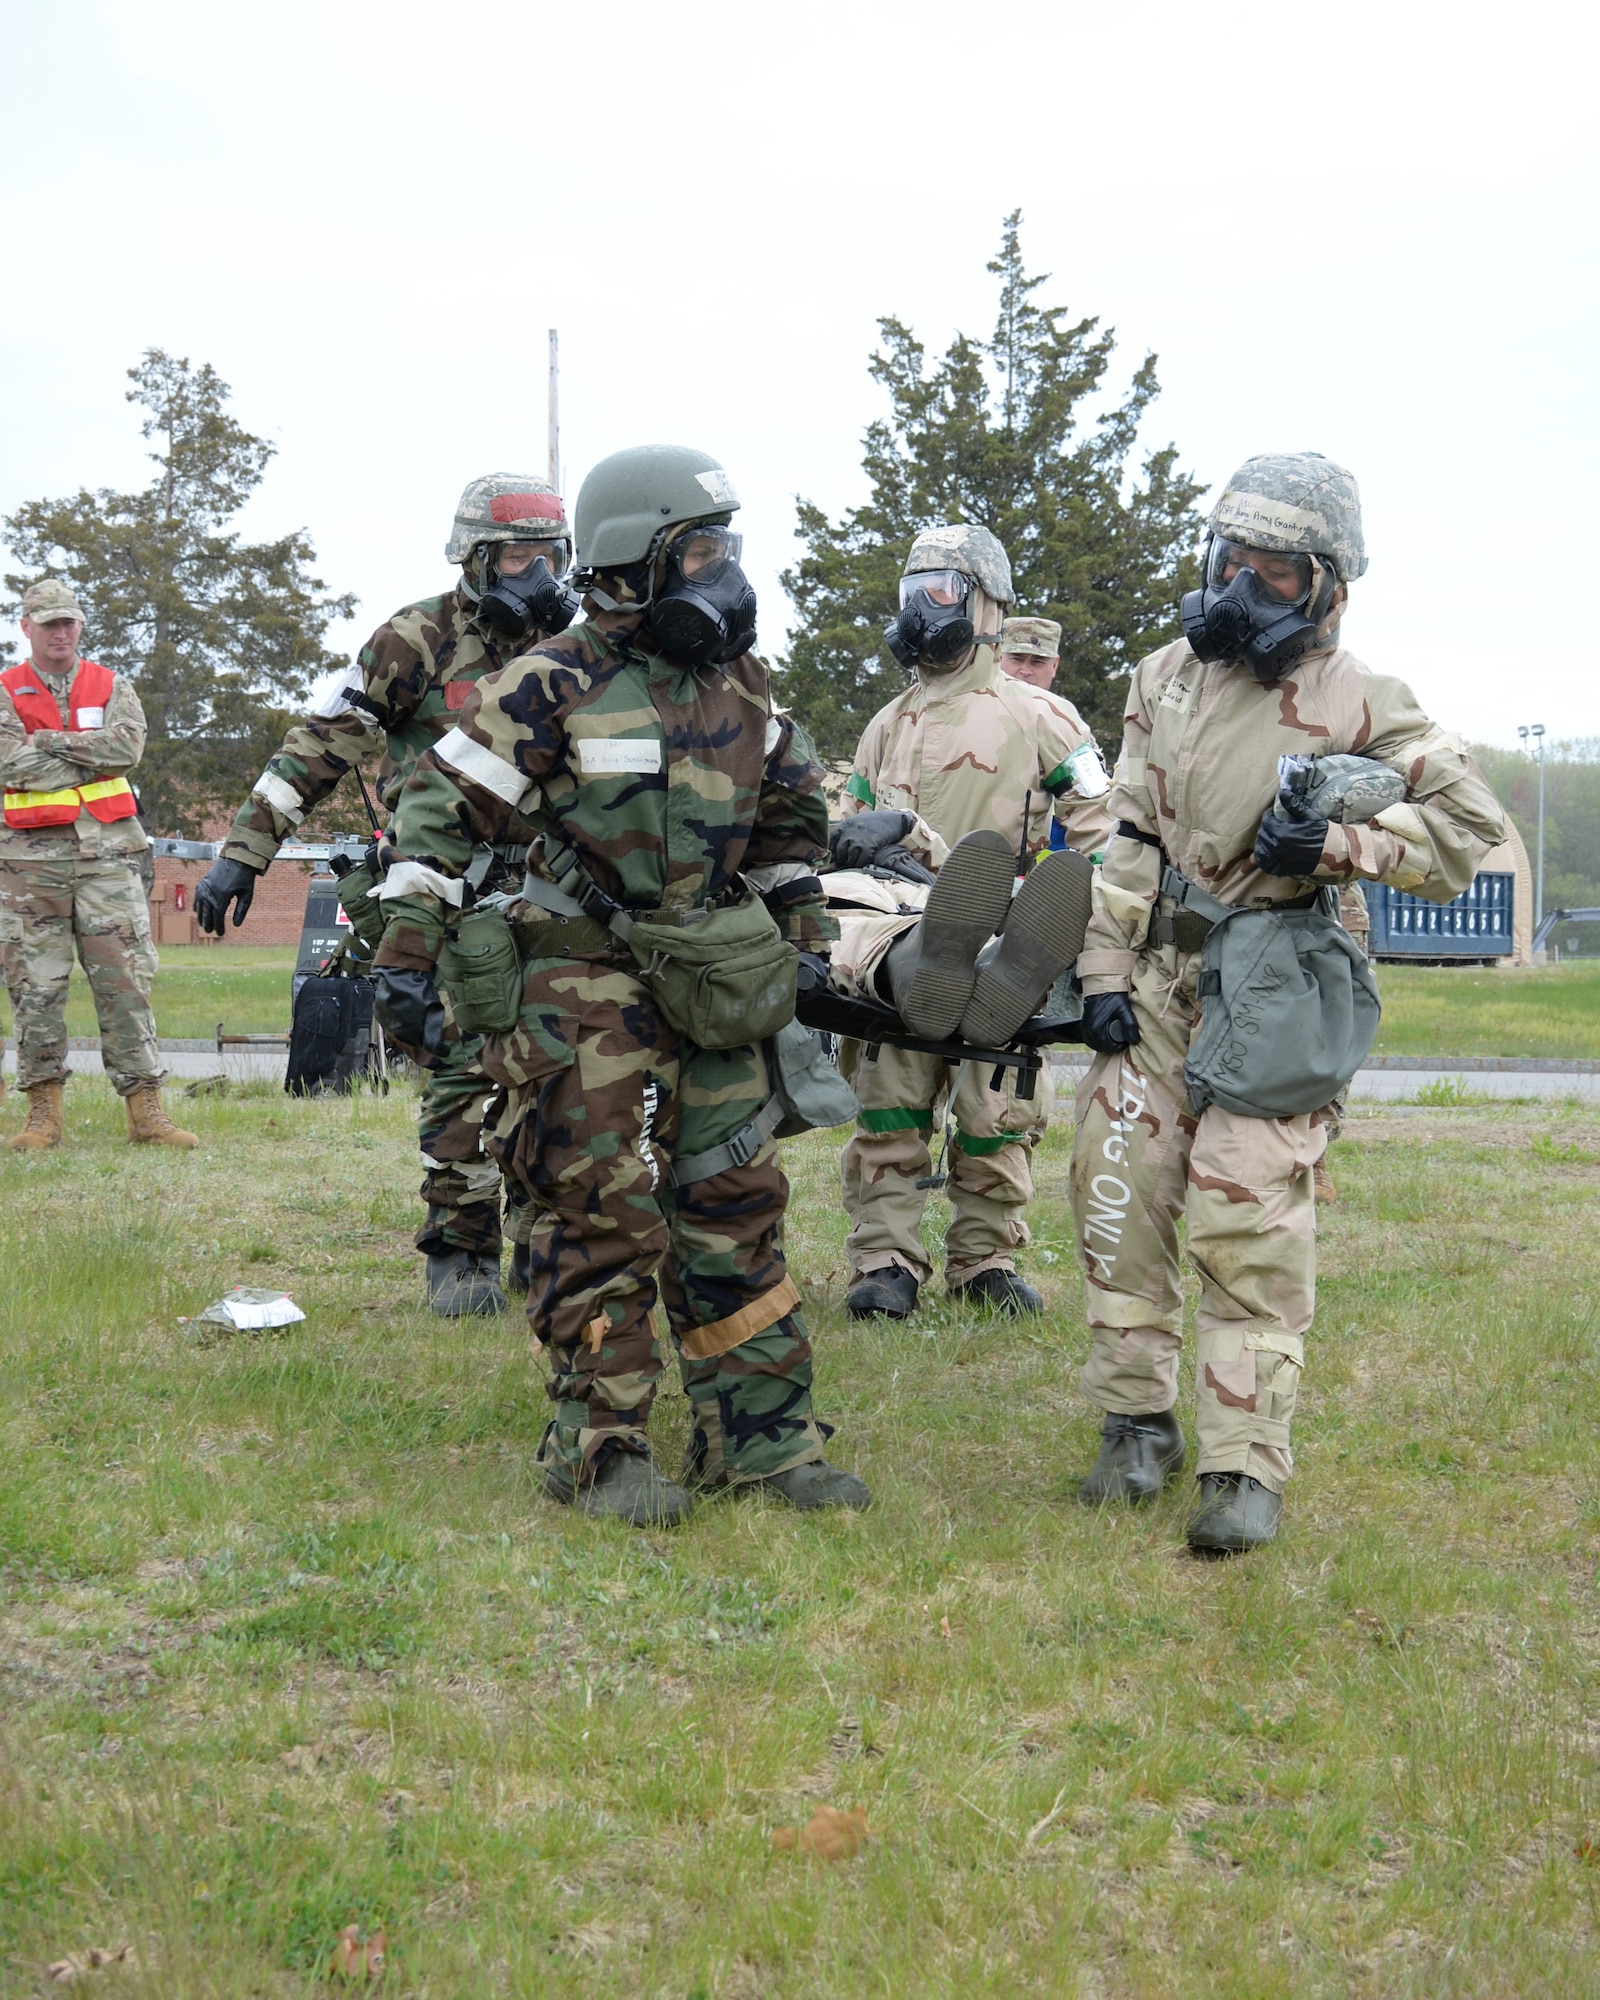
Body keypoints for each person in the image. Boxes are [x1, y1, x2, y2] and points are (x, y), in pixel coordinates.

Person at [371, 444, 868, 1526]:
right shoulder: (550, 680)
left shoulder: (743, 684)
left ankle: (764, 1440)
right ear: (628, 560)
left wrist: (809, 942)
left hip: (711, 986)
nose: (721, 572)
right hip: (578, 991)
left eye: (724, 548)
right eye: (697, 549)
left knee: (736, 1205)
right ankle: (599, 1447)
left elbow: (788, 829)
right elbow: (436, 818)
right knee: (597, 1211)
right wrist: (404, 956)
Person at [1068, 453, 1506, 1551]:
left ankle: (1241, 1465)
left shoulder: (1368, 700)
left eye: (1271, 574)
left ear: (1323, 587)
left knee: (1247, 1210)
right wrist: (1103, 975)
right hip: (1163, 976)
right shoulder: (1160, 676)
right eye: (1228, 561)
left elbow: (1464, 834)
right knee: (1117, 1185)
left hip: (1277, 977)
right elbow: (1127, 832)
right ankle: (1135, 1424)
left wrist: (1341, 841)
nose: (1239, 591)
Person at [195, 475, 577, 1316]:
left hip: (555, 893)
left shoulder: (580, 650)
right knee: (459, 1066)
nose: (538, 575)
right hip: (435, 892)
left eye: (551, 556)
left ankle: (541, 1240)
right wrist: (242, 855)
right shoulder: (416, 637)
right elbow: (322, 744)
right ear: (476, 558)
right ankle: (461, 1248)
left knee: (559, 1070)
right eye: (519, 556)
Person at [834, 526, 1115, 1322]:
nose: (923, 610)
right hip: (897, 940)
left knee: (997, 1110)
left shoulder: (1044, 717)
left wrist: (1078, 931)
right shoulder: (887, 723)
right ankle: (885, 1260)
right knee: (890, 1099)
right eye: (910, 591)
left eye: (943, 590)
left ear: (987, 604)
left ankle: (985, 1258)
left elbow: (1108, 834)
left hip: (1002, 944)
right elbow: (846, 830)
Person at [0, 580, 196, 1149]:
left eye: (70, 623)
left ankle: (147, 1116)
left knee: (126, 985)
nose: (61, 633)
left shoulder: (113, 684)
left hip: (109, 859)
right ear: (27, 627)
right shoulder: (6, 691)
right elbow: (9, 765)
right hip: (27, 866)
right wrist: (87, 751)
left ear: (80, 626)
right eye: (49, 623)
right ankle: (43, 1117)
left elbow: (126, 751)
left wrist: (48, 742)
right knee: (35, 990)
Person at [996, 615, 1062, 691]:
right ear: (999, 659)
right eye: (1017, 659)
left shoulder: (1059, 703)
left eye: (1037, 662)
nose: (1025, 672)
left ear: (1054, 666)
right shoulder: (981, 702)